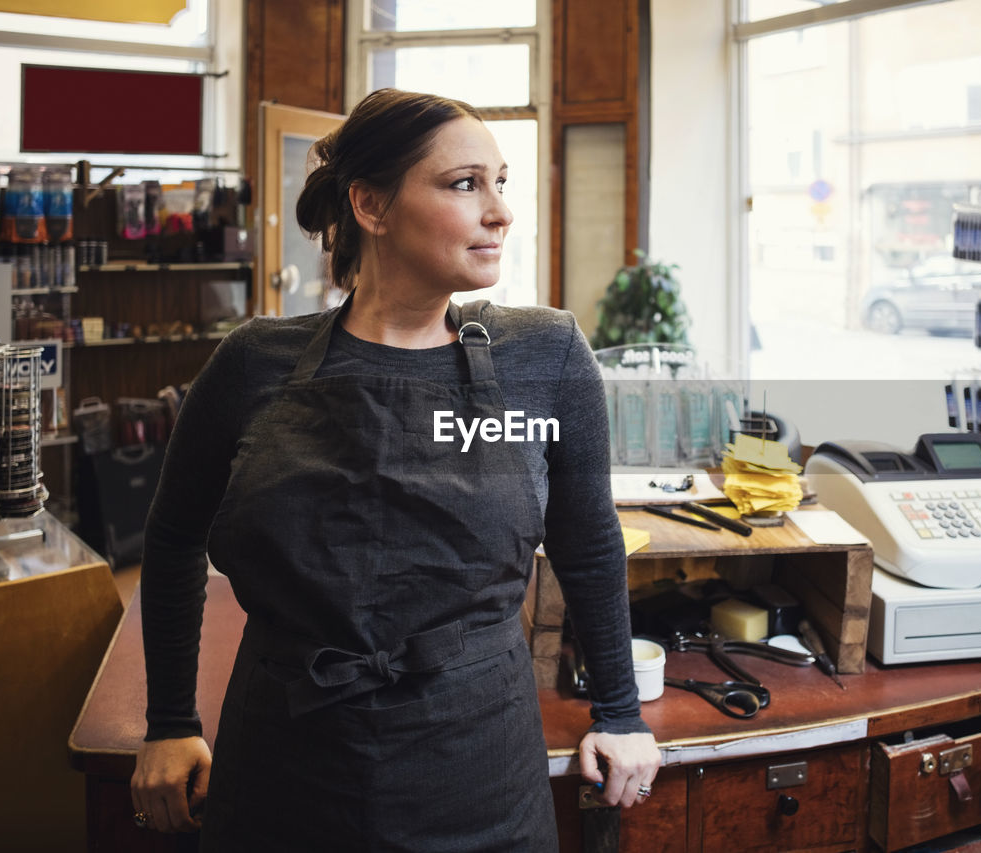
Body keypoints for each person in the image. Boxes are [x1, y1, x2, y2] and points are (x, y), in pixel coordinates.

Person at [130, 88, 661, 851]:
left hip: (479, 765)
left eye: (500, 182)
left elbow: (588, 539)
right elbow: (175, 535)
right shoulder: (252, 362)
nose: (501, 212)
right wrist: (171, 721)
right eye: (464, 183)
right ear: (371, 206)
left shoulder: (545, 355)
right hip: (284, 763)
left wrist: (619, 710)